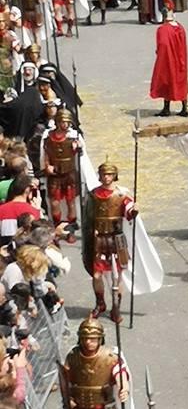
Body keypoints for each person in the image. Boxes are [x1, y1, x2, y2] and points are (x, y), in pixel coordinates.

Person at [82, 161, 138, 319]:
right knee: (97, 275)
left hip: (116, 239)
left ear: (114, 176)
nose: (106, 177)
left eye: (109, 174)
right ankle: (100, 303)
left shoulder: (121, 195)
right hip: (98, 240)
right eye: (104, 174)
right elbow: (87, 217)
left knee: (117, 276)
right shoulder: (93, 195)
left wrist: (134, 210)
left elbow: (128, 213)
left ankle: (116, 307)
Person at [39, 106, 82, 236]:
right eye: (63, 122)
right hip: (55, 174)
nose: (65, 124)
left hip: (69, 174)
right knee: (55, 203)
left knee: (71, 202)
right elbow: (45, 153)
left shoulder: (73, 136)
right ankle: (57, 227)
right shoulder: (48, 137)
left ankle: (71, 230)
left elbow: (80, 153)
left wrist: (78, 147)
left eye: (67, 122)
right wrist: (47, 166)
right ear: (57, 122)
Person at [150, 0, 188, 118]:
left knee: (167, 82)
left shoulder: (163, 29)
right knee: (181, 82)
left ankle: (166, 108)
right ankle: (184, 108)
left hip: (168, 60)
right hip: (181, 60)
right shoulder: (180, 27)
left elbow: (163, 46)